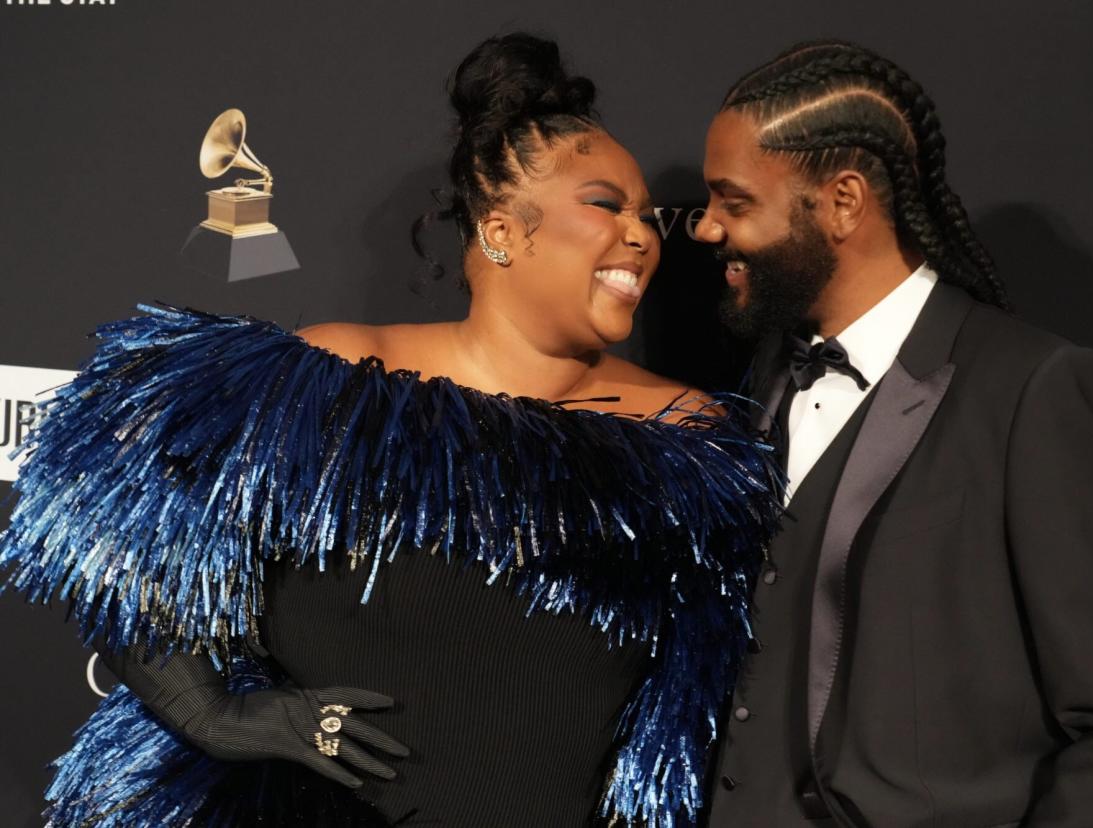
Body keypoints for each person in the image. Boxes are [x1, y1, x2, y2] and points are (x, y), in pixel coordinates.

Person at [0, 33, 781, 827]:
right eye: (605, 205)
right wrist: (215, 715)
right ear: (504, 230)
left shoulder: (688, 439)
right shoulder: (335, 379)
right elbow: (124, 518)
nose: (643, 235)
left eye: (648, 215)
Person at [694, 40, 1093, 827]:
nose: (705, 229)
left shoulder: (1037, 391)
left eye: (736, 202)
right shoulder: (767, 378)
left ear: (844, 202)